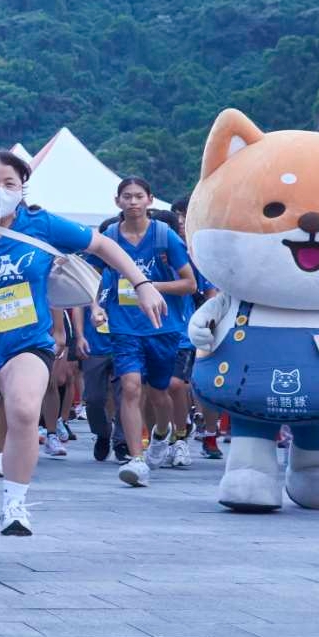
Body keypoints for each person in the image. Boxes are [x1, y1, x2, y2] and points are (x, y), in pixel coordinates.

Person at [0, 149, 166, 556]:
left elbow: (101, 245)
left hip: (26, 343)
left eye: (10, 184)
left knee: (25, 410)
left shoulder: (41, 224)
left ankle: (15, 501)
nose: (1, 192)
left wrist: (142, 283)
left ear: (22, 189)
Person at [94, 177, 199, 486]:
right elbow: (96, 278)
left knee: (160, 392)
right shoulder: (110, 237)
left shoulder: (164, 236)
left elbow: (189, 283)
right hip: (124, 326)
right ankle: (136, 458)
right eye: (126, 197)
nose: (133, 202)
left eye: (139, 196)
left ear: (150, 200)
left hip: (162, 326)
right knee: (129, 386)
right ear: (117, 202)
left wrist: (149, 287)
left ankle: (163, 433)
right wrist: (96, 305)